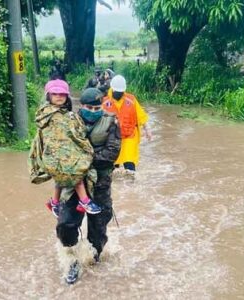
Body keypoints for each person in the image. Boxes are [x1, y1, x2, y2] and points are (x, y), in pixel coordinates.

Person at [56, 88, 121, 284]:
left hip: (100, 184)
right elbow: (61, 149)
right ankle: (73, 258)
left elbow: (112, 153)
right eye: (88, 107)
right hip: (72, 183)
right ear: (80, 106)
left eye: (96, 107)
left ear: (102, 106)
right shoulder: (69, 122)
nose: (92, 110)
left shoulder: (111, 123)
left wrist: (82, 161)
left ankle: (94, 259)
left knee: (99, 227)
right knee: (65, 224)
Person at [28, 79, 102, 217]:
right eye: (55, 94)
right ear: (48, 95)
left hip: (55, 156)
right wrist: (87, 150)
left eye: (62, 94)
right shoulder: (53, 116)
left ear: (67, 96)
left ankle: (54, 202)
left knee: (60, 179)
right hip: (56, 154)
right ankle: (84, 201)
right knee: (76, 175)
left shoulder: (50, 114)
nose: (59, 96)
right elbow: (72, 135)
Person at [102, 75, 152, 179]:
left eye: (121, 92)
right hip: (112, 139)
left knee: (130, 168)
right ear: (112, 89)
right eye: (117, 92)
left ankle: (131, 188)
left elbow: (141, 115)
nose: (119, 94)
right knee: (112, 169)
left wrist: (147, 129)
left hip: (129, 137)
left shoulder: (131, 99)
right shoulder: (104, 102)